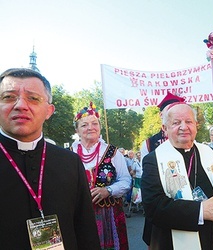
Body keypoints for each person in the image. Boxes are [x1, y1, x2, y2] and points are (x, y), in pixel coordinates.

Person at [0, 68, 100, 249]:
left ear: (48, 111)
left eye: (33, 98)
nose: (21, 105)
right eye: (8, 97)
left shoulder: (70, 162)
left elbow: (85, 230)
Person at [141, 103, 213, 250]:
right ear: (165, 128)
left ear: (196, 125)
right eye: (176, 122)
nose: (183, 127)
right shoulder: (153, 160)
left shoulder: (211, 153)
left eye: (188, 121)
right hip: (173, 240)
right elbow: (153, 207)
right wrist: (201, 211)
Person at [72, 101, 131, 249]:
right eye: (84, 125)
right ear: (77, 131)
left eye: (94, 123)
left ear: (100, 127)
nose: (90, 127)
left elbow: (126, 180)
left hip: (108, 215)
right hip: (77, 214)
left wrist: (108, 190)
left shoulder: (113, 152)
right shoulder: (68, 154)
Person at [139, 91, 185, 247]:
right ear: (161, 116)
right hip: (161, 207)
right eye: (169, 112)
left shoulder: (188, 140)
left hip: (187, 209)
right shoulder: (148, 144)